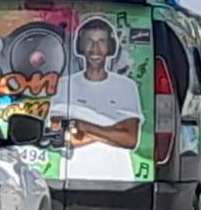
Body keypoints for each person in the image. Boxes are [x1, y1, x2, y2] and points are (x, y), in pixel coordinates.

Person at [51, 16, 143, 180]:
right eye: (89, 41)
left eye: (101, 41)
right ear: (80, 46)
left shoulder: (126, 86)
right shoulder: (64, 85)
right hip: (72, 176)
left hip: (119, 178)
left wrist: (82, 126)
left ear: (110, 47)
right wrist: (113, 131)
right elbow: (61, 137)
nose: (95, 49)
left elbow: (130, 139)